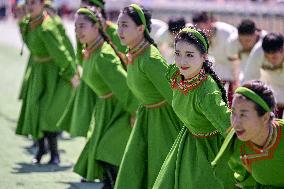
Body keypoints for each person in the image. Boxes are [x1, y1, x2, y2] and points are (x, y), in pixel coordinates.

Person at [152, 27, 235, 189]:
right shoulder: (178, 75)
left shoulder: (206, 92)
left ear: (204, 57)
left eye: (190, 55)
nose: (182, 61)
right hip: (187, 142)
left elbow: (229, 127)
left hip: (209, 152)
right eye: (177, 54)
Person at [114, 4, 181, 189]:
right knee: (136, 166)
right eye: (119, 25)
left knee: (161, 169)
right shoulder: (134, 54)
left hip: (164, 121)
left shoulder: (150, 58)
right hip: (147, 116)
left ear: (141, 29)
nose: (119, 30)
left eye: (125, 25)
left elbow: (173, 93)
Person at [71, 7, 138, 188]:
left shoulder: (103, 55)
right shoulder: (91, 50)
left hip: (120, 109)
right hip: (105, 108)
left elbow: (125, 87)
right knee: (101, 151)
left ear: (96, 27)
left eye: (82, 26)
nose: (78, 32)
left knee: (107, 150)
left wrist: (135, 113)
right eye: (75, 27)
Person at [15, 0, 77, 165]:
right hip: (38, 70)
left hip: (52, 74)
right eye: (28, 3)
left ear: (43, 5)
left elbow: (60, 52)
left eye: (34, 3)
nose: (29, 6)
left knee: (49, 114)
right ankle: (41, 150)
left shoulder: (47, 27)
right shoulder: (29, 23)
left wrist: (72, 74)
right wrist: (20, 24)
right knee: (35, 110)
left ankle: (54, 154)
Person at [212, 80, 284, 188]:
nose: (235, 123)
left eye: (243, 115)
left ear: (265, 117)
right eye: (233, 113)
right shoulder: (236, 145)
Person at [192, 11, 237, 106]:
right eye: (197, 27)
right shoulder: (198, 34)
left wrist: (236, 80)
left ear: (209, 22)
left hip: (235, 66)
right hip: (219, 65)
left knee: (233, 98)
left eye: (202, 26)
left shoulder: (227, 33)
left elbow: (235, 60)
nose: (200, 30)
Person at [243, 33, 284, 119]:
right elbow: (249, 78)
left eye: (274, 57)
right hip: (272, 87)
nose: (270, 61)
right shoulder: (258, 52)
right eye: (267, 57)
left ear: (282, 50)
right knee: (273, 124)